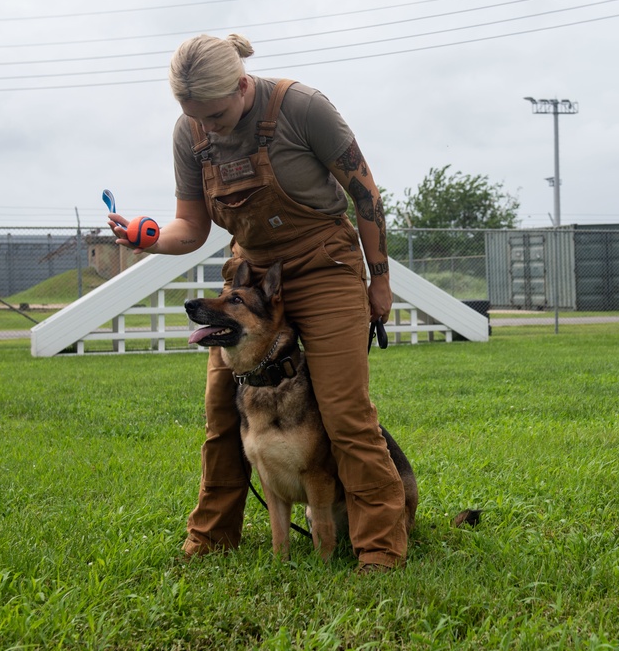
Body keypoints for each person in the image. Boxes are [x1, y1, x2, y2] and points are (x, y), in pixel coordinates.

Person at [108, 33, 407, 572]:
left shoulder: (303, 109)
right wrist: (148, 237)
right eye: (196, 115)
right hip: (250, 277)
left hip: (324, 267)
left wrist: (379, 281)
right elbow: (192, 228)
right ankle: (213, 538)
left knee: (345, 413)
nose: (210, 127)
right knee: (224, 413)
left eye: (218, 114)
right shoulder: (190, 132)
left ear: (243, 86)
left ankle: (380, 548)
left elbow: (365, 194)